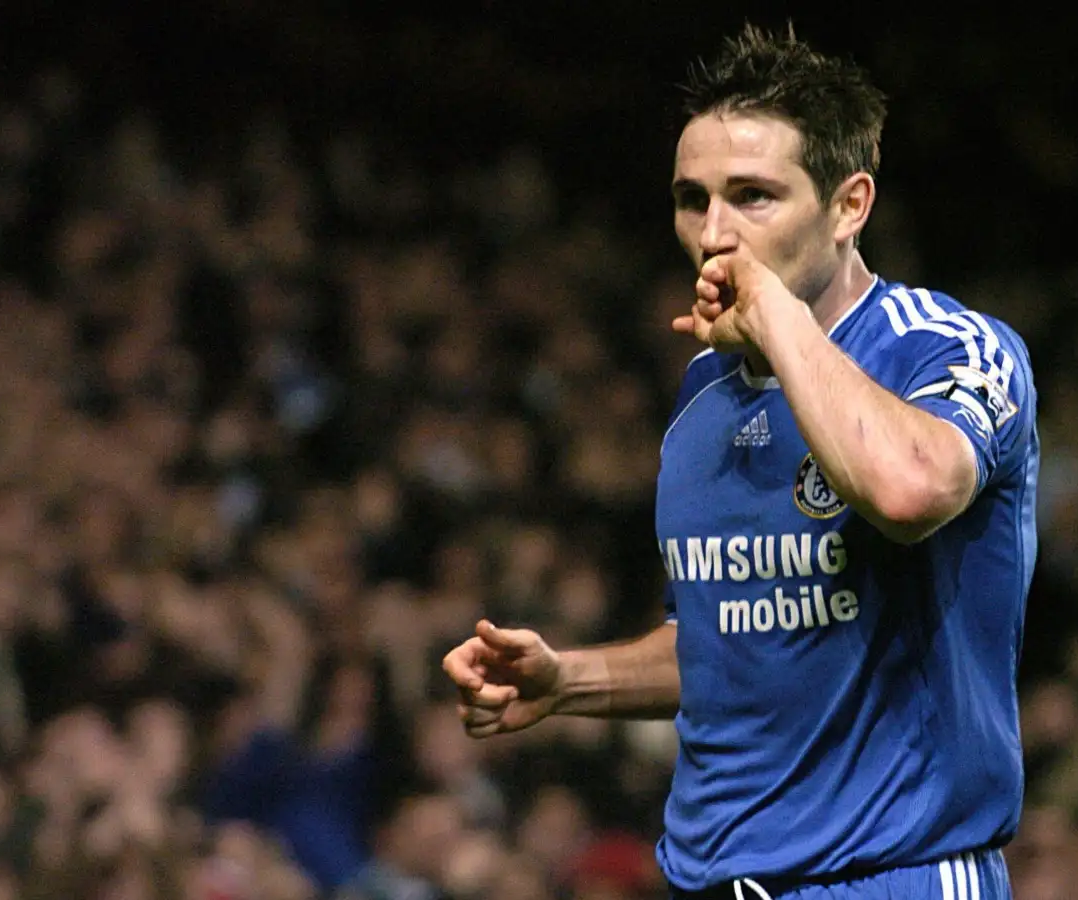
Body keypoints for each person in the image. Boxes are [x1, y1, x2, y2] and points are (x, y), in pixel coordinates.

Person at [443, 24, 1038, 900]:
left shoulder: (946, 351)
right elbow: (728, 640)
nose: (715, 233)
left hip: (890, 876)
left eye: (754, 197)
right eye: (693, 199)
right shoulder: (702, 399)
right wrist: (571, 680)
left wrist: (775, 318)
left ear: (850, 206)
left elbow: (910, 489)